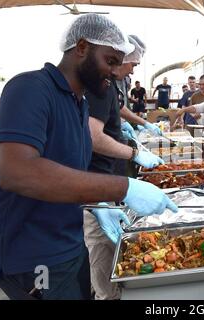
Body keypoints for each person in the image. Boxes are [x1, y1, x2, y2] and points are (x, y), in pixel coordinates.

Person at [0, 14, 177, 300]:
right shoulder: (30, 88)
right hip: (30, 254)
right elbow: (18, 172)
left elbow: (65, 171)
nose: (115, 71)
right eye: (110, 61)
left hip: (69, 241)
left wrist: (97, 204)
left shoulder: (79, 103)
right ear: (82, 47)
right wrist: (124, 187)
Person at [84, 34, 165, 300]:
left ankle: (116, 289)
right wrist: (134, 152)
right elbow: (93, 136)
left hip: (110, 178)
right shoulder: (101, 85)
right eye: (132, 63)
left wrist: (140, 124)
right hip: (96, 182)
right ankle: (106, 295)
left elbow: (117, 111)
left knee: (112, 245)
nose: (134, 68)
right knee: (100, 248)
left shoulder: (114, 84)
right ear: (117, 59)